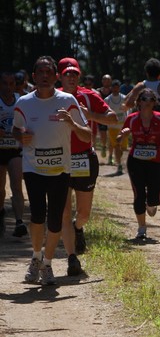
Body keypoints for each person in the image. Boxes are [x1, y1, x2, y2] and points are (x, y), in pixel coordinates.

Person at [12, 55, 91, 285]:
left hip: (60, 170)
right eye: (41, 72)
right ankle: (36, 257)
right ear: (34, 77)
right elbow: (16, 130)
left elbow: (87, 135)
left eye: (49, 72)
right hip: (33, 168)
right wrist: (20, 136)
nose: (45, 76)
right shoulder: (24, 103)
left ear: (56, 77)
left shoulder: (68, 100)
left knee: (55, 220)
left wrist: (71, 124)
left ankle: (47, 263)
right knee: (37, 216)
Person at [58, 57, 117, 275]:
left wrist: (89, 115)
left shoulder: (89, 96)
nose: (71, 77)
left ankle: (78, 227)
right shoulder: (51, 97)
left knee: (83, 213)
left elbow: (112, 118)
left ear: (79, 76)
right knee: (63, 211)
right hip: (59, 159)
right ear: (60, 76)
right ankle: (71, 258)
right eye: (66, 73)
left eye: (74, 73)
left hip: (84, 158)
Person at [116, 87, 160, 241]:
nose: (147, 102)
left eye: (151, 99)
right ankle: (142, 229)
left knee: (154, 198)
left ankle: (151, 203)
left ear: (155, 103)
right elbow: (119, 140)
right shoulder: (132, 119)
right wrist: (123, 136)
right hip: (136, 162)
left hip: (155, 161)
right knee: (138, 195)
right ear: (138, 102)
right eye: (144, 99)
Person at [0, 70, 27, 237]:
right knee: (0, 188)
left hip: (15, 150)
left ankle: (19, 222)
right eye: (5, 83)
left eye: (12, 84)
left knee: (16, 186)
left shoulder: (21, 101)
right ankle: (1, 212)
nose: (9, 87)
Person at [104, 79, 128, 175]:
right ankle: (119, 165)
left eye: (117, 88)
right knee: (116, 146)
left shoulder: (124, 98)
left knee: (123, 147)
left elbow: (128, 111)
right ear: (111, 88)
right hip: (113, 127)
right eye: (114, 88)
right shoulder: (107, 100)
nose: (115, 90)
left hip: (123, 127)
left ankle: (121, 162)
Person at [96, 74, 113, 157]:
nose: (106, 82)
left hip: (111, 115)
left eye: (108, 80)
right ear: (102, 81)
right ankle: (103, 146)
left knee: (111, 135)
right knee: (103, 134)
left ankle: (110, 155)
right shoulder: (98, 91)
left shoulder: (113, 91)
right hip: (102, 115)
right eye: (105, 80)